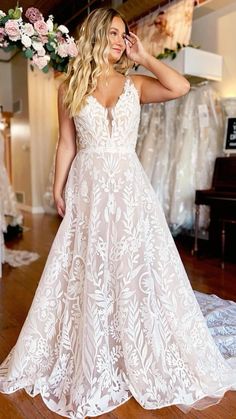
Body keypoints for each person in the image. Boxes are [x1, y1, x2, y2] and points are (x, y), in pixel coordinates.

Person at [0, 7, 235, 419]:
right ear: (93, 34)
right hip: (88, 184)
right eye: (110, 32)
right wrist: (58, 188)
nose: (116, 40)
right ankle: (95, 337)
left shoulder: (134, 84)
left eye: (122, 33)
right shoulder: (68, 87)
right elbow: (67, 145)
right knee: (89, 263)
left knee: (132, 261)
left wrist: (143, 56)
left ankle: (133, 335)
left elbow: (179, 87)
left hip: (127, 185)